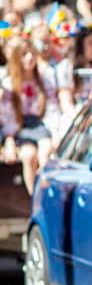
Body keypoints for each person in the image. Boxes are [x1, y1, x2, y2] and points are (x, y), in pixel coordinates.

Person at [0, 36, 58, 195]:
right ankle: (34, 195)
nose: (30, 58)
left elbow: (51, 108)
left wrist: (55, 131)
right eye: (25, 54)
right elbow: (8, 115)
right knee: (28, 155)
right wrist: (9, 139)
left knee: (46, 151)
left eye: (32, 53)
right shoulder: (9, 84)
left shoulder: (43, 81)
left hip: (39, 125)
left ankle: (45, 191)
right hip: (20, 127)